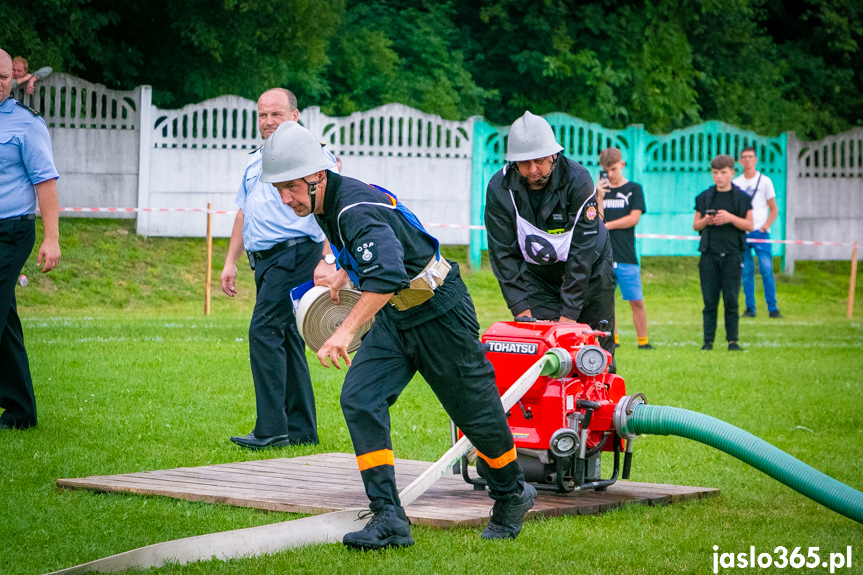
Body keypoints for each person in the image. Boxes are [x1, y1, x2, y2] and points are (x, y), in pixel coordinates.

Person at [261, 121, 536, 549]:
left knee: (475, 415)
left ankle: (512, 493)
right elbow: (390, 250)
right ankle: (388, 517)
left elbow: (387, 274)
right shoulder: (331, 202)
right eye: (278, 188)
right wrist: (344, 271)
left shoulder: (351, 208)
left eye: (291, 187)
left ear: (317, 176)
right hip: (395, 317)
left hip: (440, 313)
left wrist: (344, 331)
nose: (285, 198)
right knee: (360, 398)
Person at [220, 88, 336, 450]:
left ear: (295, 116)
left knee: (263, 332)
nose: (268, 122)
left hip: (295, 254)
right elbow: (245, 210)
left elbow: (329, 204)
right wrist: (230, 261)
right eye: (262, 115)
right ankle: (301, 430)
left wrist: (327, 259)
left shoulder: (312, 154)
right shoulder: (257, 159)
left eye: (276, 114)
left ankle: (271, 429)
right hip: (266, 261)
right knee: (286, 339)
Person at [484, 111, 615, 364]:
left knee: (595, 352)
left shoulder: (578, 181)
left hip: (591, 270)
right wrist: (521, 312)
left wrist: (568, 317)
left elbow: (582, 252)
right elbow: (503, 255)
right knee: (541, 349)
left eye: (540, 161)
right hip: (538, 275)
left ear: (554, 154)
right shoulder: (498, 189)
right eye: (524, 163)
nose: (533, 170)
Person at [0, 49, 61, 430]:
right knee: (5, 319)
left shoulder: (27, 124)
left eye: (3, 76)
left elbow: (46, 181)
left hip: (11, 232)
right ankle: (21, 411)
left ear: (13, 77)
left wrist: (51, 238)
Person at [693, 155, 753, 351]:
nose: (719, 177)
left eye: (723, 173)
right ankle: (708, 342)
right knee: (709, 301)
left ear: (732, 173)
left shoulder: (742, 198)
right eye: (715, 173)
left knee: (731, 300)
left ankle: (732, 341)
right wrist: (706, 221)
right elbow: (696, 225)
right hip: (709, 254)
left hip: (733, 254)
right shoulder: (704, 196)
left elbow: (750, 225)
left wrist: (730, 218)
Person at [596, 147, 652, 350]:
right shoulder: (601, 191)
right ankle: (613, 340)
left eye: (613, 169)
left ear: (622, 165)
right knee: (605, 301)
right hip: (604, 255)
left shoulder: (634, 189)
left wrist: (608, 226)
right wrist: (599, 196)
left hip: (626, 254)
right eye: (605, 170)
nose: (610, 174)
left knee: (636, 300)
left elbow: (633, 219)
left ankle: (643, 342)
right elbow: (597, 220)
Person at [733, 147, 783, 319]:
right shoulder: (737, 183)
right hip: (743, 233)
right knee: (746, 271)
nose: (747, 160)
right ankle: (750, 308)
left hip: (761, 233)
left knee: (766, 269)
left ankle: (773, 308)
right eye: (744, 157)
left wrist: (765, 227)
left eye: (750, 157)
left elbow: (774, 209)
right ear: (740, 161)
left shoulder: (765, 181)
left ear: (755, 160)